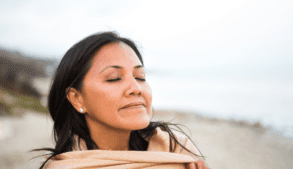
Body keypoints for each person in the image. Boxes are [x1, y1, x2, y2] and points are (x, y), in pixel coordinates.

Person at [34, 31, 209, 169]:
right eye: (114, 78)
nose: (136, 88)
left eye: (140, 77)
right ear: (77, 98)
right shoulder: (65, 166)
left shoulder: (180, 152)